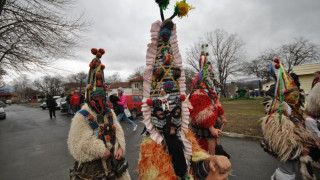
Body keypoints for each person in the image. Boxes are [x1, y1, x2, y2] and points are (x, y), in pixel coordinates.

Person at [138, 2, 231, 178]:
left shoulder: (185, 135)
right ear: (150, 112)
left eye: (176, 112)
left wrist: (209, 164)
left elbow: (194, 166)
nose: (172, 126)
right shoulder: (151, 149)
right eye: (161, 114)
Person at [68, 48, 130, 180]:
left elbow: (118, 131)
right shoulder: (81, 116)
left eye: (103, 97)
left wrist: (120, 148)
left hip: (114, 164)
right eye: (96, 97)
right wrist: (100, 150)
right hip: (94, 169)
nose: (100, 101)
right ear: (89, 96)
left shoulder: (109, 112)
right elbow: (78, 142)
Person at [260, 59, 318, 180]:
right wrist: (300, 148)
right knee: (286, 171)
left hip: (296, 148)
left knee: (292, 169)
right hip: (289, 150)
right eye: (294, 96)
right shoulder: (278, 115)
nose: (297, 99)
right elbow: (282, 140)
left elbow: (300, 128)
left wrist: (308, 142)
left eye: (297, 95)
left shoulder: (295, 112)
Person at [188, 44, 228, 156]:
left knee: (213, 150)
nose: (211, 77)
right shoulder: (197, 92)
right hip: (202, 130)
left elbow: (216, 103)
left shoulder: (210, 91)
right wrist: (211, 129)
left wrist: (222, 116)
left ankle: (211, 169)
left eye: (212, 74)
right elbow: (200, 113)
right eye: (209, 74)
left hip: (212, 127)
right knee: (203, 153)